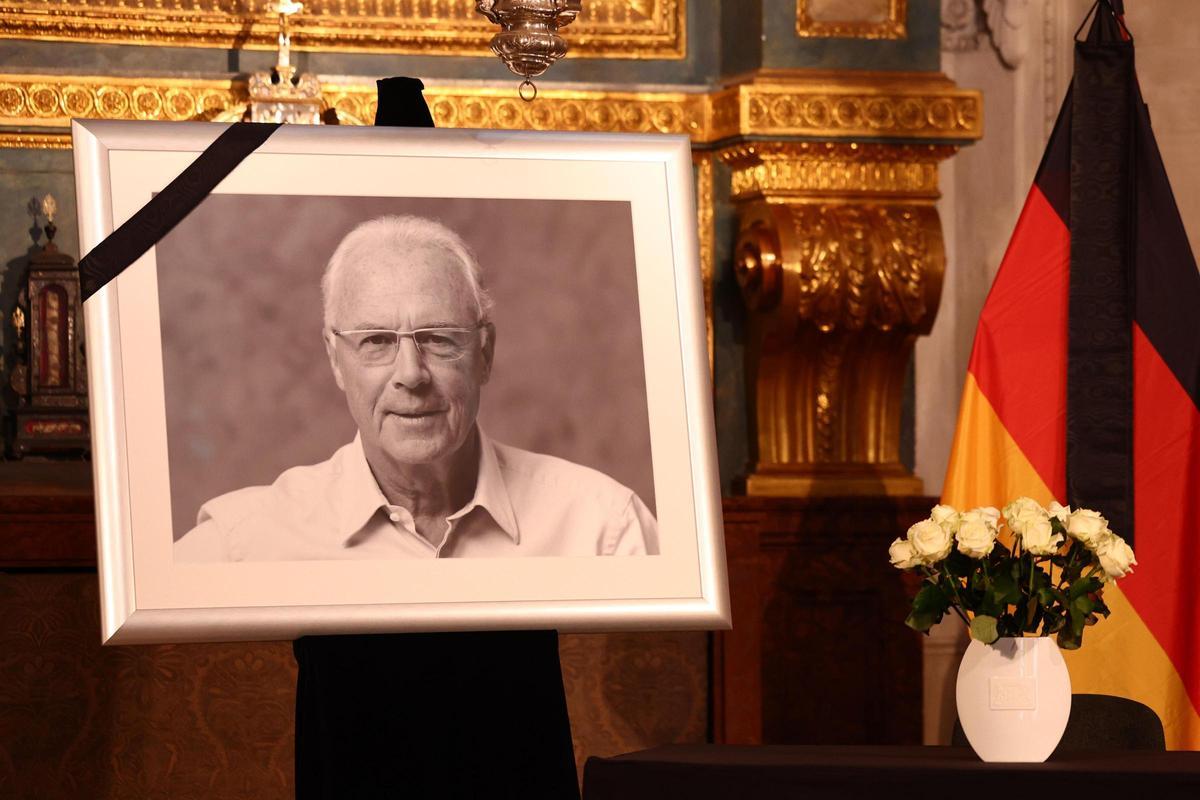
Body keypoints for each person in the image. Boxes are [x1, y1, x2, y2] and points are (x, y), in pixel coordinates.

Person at [175, 215, 658, 561]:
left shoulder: (604, 528)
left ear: (484, 353)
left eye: (438, 338)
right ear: (335, 359)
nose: (411, 374)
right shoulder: (242, 542)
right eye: (377, 340)